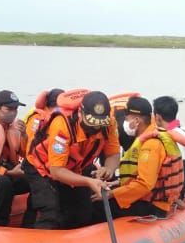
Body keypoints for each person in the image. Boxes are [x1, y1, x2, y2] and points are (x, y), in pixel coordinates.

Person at [22, 89, 120, 229]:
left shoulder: (109, 123)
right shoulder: (62, 125)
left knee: (83, 212)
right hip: (42, 167)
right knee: (50, 210)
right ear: (80, 113)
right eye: (92, 123)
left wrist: (108, 169)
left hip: (77, 166)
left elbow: (114, 154)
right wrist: (88, 181)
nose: (97, 127)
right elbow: (56, 171)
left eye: (100, 123)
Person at [95, 96, 185, 220]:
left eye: (126, 119)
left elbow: (145, 184)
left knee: (96, 206)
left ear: (137, 121)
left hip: (152, 205)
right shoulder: (153, 136)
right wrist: (116, 184)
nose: (124, 124)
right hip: (150, 199)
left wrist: (112, 194)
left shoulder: (151, 144)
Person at [0, 90, 34, 227]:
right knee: (3, 183)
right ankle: (1, 223)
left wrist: (25, 137)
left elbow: (25, 153)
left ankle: (29, 222)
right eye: (9, 109)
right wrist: (9, 173)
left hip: (9, 168)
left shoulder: (15, 126)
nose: (14, 112)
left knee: (38, 178)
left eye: (16, 108)